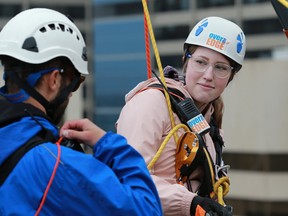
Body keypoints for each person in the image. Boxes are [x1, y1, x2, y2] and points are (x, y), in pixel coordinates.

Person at [0, 8, 162, 215]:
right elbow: (147, 208)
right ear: (54, 80)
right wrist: (109, 144)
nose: (70, 94)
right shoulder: (54, 163)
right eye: (75, 82)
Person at [116, 16, 246, 216]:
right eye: (201, 62)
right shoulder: (152, 103)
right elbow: (127, 179)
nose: (208, 75)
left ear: (231, 76)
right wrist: (190, 203)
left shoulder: (209, 122)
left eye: (220, 67)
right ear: (186, 61)